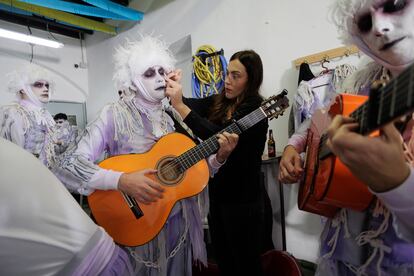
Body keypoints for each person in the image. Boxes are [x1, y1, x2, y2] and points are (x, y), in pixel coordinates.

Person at [53, 35, 238, 276]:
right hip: (138, 225)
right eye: (149, 73)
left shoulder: (173, 115)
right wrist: (121, 180)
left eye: (162, 71)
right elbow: (67, 165)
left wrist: (219, 158)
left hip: (177, 228)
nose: (160, 78)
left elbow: (195, 171)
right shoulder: (113, 114)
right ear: (132, 81)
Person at [279, 0, 414, 275]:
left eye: (395, 5)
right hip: (340, 253)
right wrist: (293, 146)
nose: (379, 27)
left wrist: (399, 186)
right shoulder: (357, 85)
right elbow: (317, 119)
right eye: (364, 22)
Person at [167, 50, 274, 276]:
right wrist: (175, 91)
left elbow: (216, 135)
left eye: (236, 76)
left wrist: (181, 107)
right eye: (227, 73)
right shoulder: (221, 100)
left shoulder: (256, 108)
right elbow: (189, 104)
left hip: (245, 202)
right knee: (225, 262)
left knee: (246, 266)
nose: (227, 80)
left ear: (251, 80)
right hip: (219, 198)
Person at [0, 137, 133, 275]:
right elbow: (70, 163)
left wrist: (120, 180)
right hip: (99, 250)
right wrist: (119, 180)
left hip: (89, 259)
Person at [0, 64, 56, 168]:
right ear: (22, 88)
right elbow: (8, 155)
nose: (45, 89)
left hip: (43, 175)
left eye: (47, 85)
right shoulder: (12, 113)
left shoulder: (45, 116)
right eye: (38, 85)